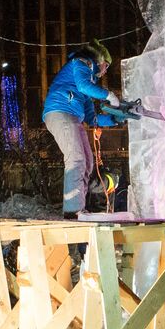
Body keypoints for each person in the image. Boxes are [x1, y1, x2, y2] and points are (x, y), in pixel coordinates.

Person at [42, 41, 120, 218]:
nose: (105, 71)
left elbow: (91, 118)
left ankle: (79, 206)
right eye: (106, 66)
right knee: (76, 158)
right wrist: (108, 95)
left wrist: (115, 119)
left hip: (74, 118)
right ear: (100, 60)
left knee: (88, 162)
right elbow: (84, 86)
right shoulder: (81, 63)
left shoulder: (87, 83)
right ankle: (72, 211)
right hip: (60, 112)